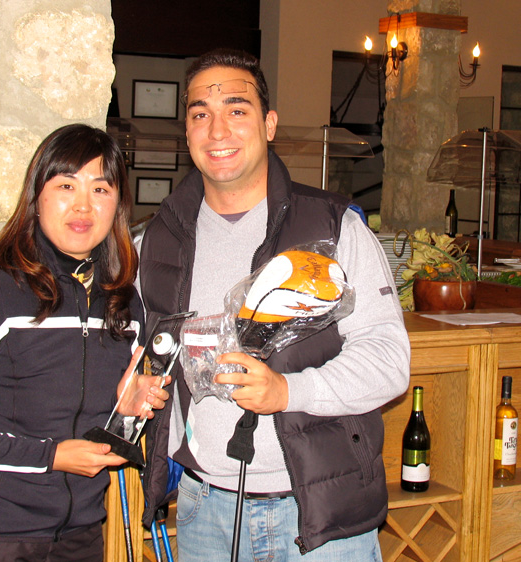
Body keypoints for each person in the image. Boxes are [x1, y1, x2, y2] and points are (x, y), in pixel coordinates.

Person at [137, 49, 411, 561]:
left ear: (269, 125)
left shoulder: (333, 226)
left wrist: (288, 391)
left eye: (237, 110)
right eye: (200, 114)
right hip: (204, 511)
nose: (217, 130)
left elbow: (389, 362)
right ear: (188, 132)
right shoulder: (160, 237)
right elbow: (117, 325)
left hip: (321, 518)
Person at [0, 124, 169, 562]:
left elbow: (98, 435)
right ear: (37, 196)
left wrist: (125, 414)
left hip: (81, 538)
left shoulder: (125, 305)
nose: (84, 205)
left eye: (101, 189)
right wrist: (51, 457)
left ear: (118, 206)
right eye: (66, 185)